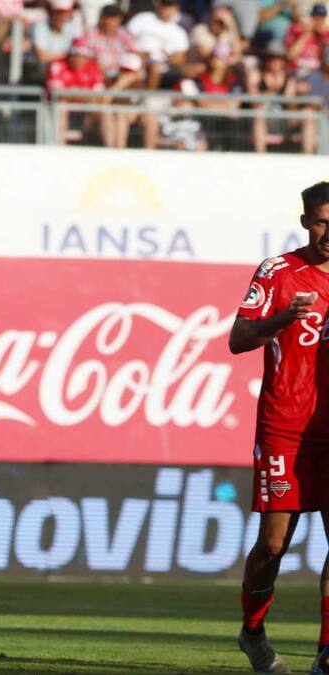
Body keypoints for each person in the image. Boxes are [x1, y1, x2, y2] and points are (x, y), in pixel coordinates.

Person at [230, 181, 329, 675]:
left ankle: (327, 652)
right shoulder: (279, 272)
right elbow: (237, 338)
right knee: (272, 545)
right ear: (306, 221)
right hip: (285, 426)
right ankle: (252, 632)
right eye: (322, 221)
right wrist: (281, 318)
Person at [127, 0, 190, 89]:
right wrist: (138, 53)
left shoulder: (179, 32)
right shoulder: (143, 18)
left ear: (176, 9)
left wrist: (168, 57)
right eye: (164, 5)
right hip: (136, 58)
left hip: (163, 66)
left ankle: (147, 99)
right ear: (158, 6)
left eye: (169, 6)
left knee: (156, 67)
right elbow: (126, 38)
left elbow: (181, 59)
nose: (166, 9)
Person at [85, 4, 135, 82]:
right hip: (97, 73)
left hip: (120, 74)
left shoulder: (124, 35)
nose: (108, 21)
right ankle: (111, 92)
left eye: (112, 18)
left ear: (120, 19)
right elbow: (85, 58)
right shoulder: (91, 33)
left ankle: (110, 93)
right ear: (100, 18)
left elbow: (133, 55)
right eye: (106, 18)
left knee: (135, 74)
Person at [32, 0, 83, 66]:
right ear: (50, 13)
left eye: (65, 13)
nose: (61, 16)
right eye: (58, 12)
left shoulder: (74, 26)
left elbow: (78, 54)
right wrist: (67, 55)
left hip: (64, 69)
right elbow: (42, 57)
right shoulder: (39, 26)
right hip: (41, 70)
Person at [285, 4, 329, 74]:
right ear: (311, 17)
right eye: (316, 17)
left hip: (316, 73)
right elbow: (290, 56)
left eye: (321, 18)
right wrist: (306, 34)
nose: (318, 20)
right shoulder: (296, 29)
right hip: (296, 70)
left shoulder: (325, 35)